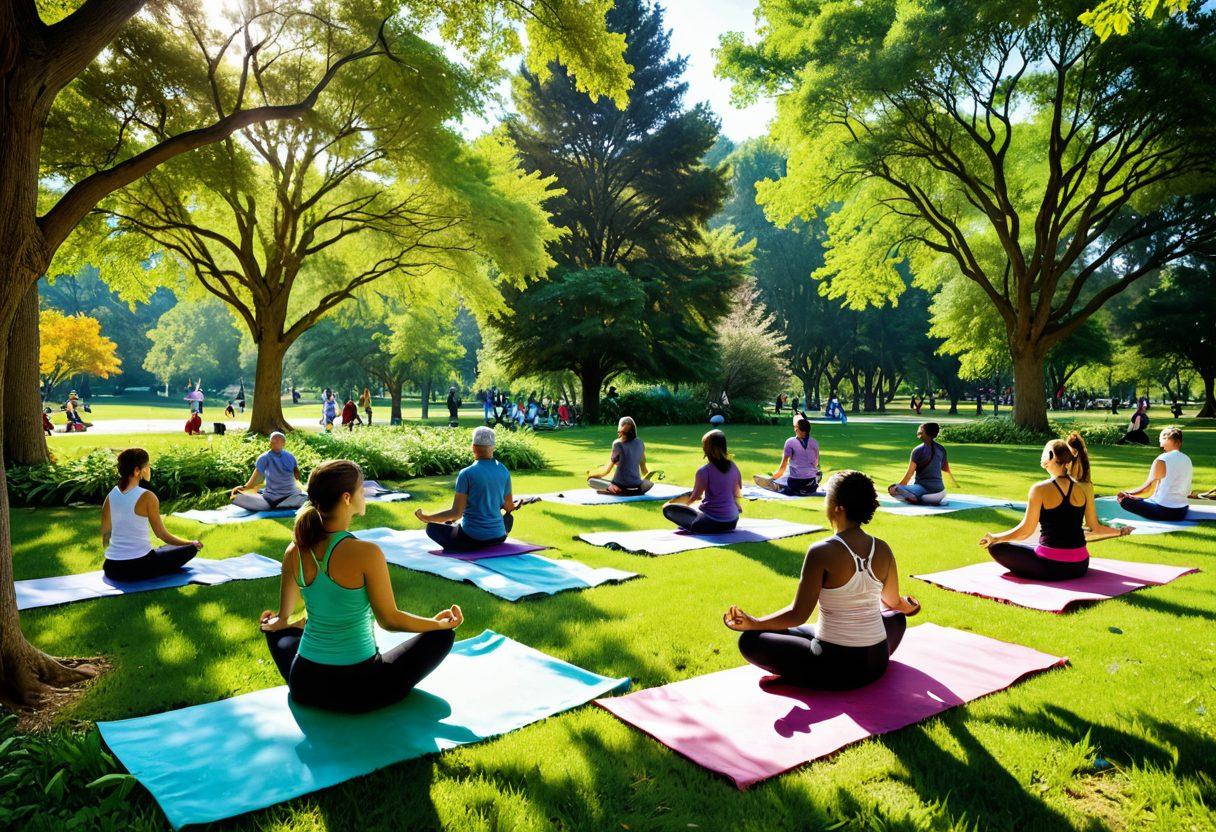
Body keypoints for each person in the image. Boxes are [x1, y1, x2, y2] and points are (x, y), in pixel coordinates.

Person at [260, 459, 460, 713]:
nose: (365, 493)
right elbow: (390, 620)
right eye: (361, 489)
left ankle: (293, 631)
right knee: (442, 637)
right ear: (346, 498)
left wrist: (277, 624)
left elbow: (283, 616)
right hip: (359, 690)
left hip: (304, 684)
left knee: (277, 630)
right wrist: (438, 624)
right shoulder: (366, 553)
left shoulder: (294, 549)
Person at [724, 470, 920, 690]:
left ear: (838, 508)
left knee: (750, 640)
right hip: (878, 660)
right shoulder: (882, 548)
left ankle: (803, 675)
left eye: (827, 497)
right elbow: (894, 603)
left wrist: (754, 623)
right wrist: (910, 607)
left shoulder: (822, 551)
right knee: (897, 618)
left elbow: (798, 614)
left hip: (837, 667)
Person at [980, 440, 1131, 581]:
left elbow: (1026, 531)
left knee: (996, 548)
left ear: (1050, 457)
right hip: (1080, 566)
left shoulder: (1039, 489)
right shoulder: (1083, 489)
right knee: (1031, 548)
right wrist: (1120, 531)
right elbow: (1095, 528)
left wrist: (996, 537)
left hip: (1050, 566)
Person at [415, 426, 525, 552]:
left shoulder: (466, 473)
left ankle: (465, 544)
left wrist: (427, 518)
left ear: (473, 447)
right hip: (499, 537)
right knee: (506, 518)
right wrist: (515, 505)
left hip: (472, 538)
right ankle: (492, 536)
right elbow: (509, 507)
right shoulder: (503, 470)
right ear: (493, 447)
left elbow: (456, 513)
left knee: (431, 528)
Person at [100, 448, 202, 582]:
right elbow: (162, 535)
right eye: (148, 466)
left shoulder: (110, 496)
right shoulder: (148, 497)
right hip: (140, 567)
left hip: (111, 568)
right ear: (137, 471)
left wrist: (119, 553)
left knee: (168, 549)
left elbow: (105, 536)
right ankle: (192, 546)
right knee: (191, 549)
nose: (150, 469)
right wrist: (190, 543)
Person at [663, 430, 742, 534]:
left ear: (706, 449)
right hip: (732, 522)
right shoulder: (733, 466)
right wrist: (736, 507)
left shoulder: (704, 471)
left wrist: (682, 505)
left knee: (668, 509)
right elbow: (737, 492)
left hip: (712, 522)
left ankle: (693, 525)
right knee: (698, 510)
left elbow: (695, 497)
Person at [1116, 426, 1193, 522]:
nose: (1159, 442)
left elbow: (1149, 489)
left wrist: (1128, 493)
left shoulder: (1162, 459)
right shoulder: (1187, 459)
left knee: (1125, 501)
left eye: (1160, 439)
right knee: (1142, 500)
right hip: (1182, 511)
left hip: (1164, 510)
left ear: (1165, 440)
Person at [231, 432, 308, 512]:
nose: (275, 443)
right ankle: (287, 504)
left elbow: (256, 480)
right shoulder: (291, 456)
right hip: (293, 497)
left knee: (236, 496)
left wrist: (244, 488)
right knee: (308, 499)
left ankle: (276, 505)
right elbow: (297, 476)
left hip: (272, 500)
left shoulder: (264, 457)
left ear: (270, 443)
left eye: (277, 441)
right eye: (274, 441)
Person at [888, 422, 956, 505]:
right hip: (940, 492)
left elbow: (909, 474)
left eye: (921, 431)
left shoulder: (918, 450)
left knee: (893, 488)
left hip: (924, 490)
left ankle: (915, 498)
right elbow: (942, 467)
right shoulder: (942, 449)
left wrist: (899, 487)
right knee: (912, 484)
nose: (918, 432)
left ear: (927, 433)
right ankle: (916, 497)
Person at [754, 415, 821, 496]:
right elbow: (816, 463)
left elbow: (783, 467)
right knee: (813, 472)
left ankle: (776, 485)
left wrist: (772, 479)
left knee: (788, 472)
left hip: (795, 485)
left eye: (796, 427)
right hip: (811, 485)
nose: (795, 429)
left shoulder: (790, 442)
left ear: (797, 429)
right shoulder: (814, 442)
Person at [587, 417, 653, 495]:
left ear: (620, 429)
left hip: (621, 485)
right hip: (636, 484)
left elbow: (606, 471)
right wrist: (647, 480)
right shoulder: (640, 443)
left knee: (591, 481)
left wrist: (591, 474)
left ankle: (613, 488)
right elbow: (644, 469)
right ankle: (623, 489)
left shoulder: (618, 444)